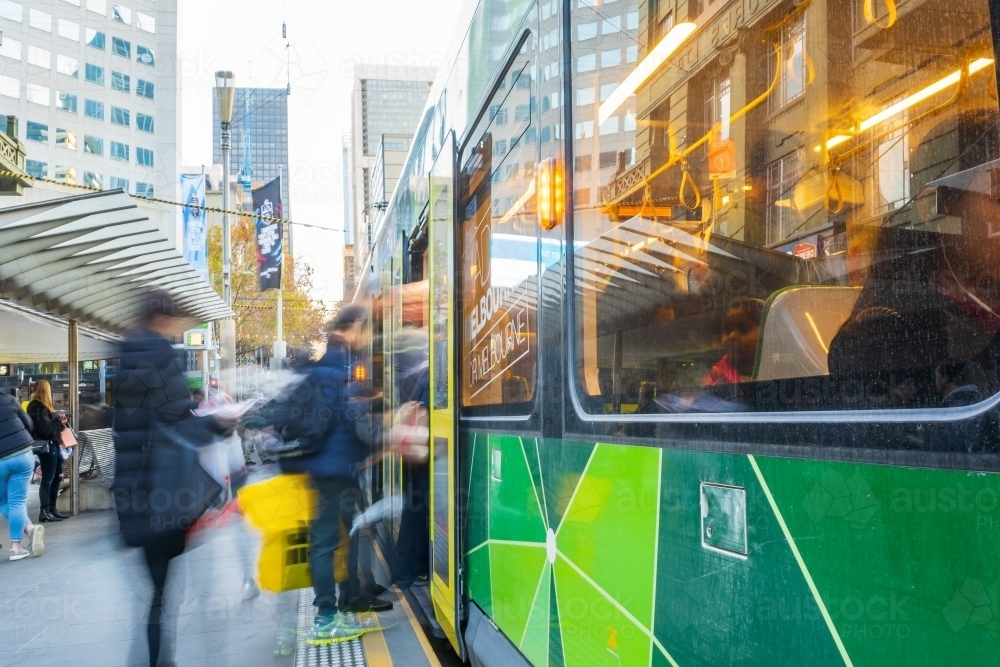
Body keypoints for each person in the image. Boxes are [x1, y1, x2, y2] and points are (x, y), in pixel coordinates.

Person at [112, 291, 227, 667]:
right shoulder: (158, 352)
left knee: (157, 593)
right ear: (164, 318)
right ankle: (159, 661)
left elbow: (145, 421)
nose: (180, 329)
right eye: (178, 321)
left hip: (134, 493)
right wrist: (222, 423)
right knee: (162, 593)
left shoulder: (127, 353)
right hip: (164, 493)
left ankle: (154, 659)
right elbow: (180, 421)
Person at [272, 304, 377, 645]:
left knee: (334, 536)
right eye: (367, 329)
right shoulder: (342, 366)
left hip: (323, 465)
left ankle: (340, 607)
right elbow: (347, 420)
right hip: (336, 467)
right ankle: (326, 618)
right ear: (356, 326)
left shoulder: (326, 364)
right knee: (326, 541)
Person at [0, 390, 45, 560]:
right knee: (17, 502)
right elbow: (29, 424)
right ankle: (28, 532)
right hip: (22, 454)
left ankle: (18, 545)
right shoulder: (9, 399)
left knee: (4, 502)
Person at [27, 380, 70, 523]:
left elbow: (49, 426)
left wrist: (58, 421)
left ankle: (52, 508)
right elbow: (46, 430)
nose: (51, 390)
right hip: (47, 446)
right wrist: (60, 424)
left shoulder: (44, 407)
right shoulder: (36, 407)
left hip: (54, 445)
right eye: (49, 388)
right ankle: (44, 511)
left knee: (57, 476)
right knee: (47, 478)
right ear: (45, 390)